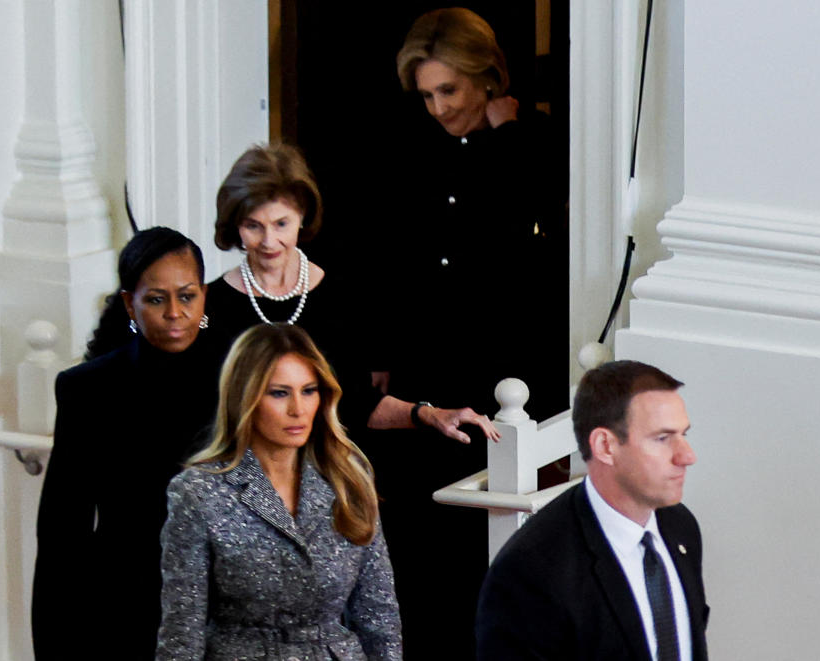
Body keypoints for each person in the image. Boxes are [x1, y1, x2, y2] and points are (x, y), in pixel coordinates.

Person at [363, 9, 571, 656]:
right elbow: (390, 256)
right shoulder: (412, 148)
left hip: (506, 360)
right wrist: (380, 352)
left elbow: (539, 226)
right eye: (427, 94)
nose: (437, 107)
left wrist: (507, 136)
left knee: (497, 538)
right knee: (426, 534)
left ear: (486, 78)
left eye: (448, 91)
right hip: (428, 360)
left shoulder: (531, 141)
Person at [204, 142, 499, 443]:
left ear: (302, 215)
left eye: (281, 224)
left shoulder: (339, 295)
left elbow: (360, 404)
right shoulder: (210, 306)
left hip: (328, 472)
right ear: (236, 224)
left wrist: (428, 414)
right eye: (253, 226)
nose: (269, 241)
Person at [155, 323, 403, 660]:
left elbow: (380, 618)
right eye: (279, 393)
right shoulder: (198, 492)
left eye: (309, 390)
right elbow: (182, 632)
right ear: (246, 397)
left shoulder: (349, 480)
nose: (298, 410)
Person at [32, 227, 222, 660]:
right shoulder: (88, 389)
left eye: (187, 296)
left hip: (224, 603)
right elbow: (63, 532)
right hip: (124, 607)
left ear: (204, 296)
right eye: (156, 299)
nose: (175, 312)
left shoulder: (238, 378)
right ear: (129, 303)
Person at [476, 360, 710, 661]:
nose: (687, 456)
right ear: (605, 446)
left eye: (684, 435)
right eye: (662, 438)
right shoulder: (530, 573)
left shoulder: (680, 526)